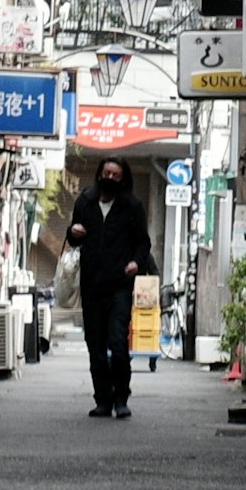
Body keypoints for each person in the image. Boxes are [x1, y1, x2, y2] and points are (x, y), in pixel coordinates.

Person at [62, 156, 155, 418]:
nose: (110, 178)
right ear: (99, 174)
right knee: (95, 345)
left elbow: (143, 242)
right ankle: (102, 399)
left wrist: (136, 262)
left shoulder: (131, 206)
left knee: (117, 341)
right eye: (106, 173)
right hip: (91, 285)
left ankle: (121, 397)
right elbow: (73, 237)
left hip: (120, 285)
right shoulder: (85, 201)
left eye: (115, 175)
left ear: (123, 178)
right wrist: (73, 232)